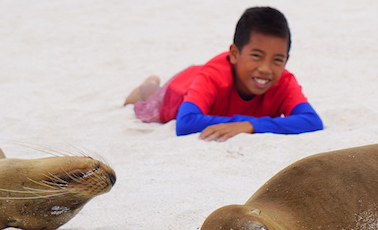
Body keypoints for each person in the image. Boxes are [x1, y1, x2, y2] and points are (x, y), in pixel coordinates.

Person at [124, 7, 323, 141]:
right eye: (256, 56)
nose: (266, 68)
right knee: (150, 98)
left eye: (277, 60)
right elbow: (185, 122)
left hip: (199, 80)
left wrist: (249, 126)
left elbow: (312, 121)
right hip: (178, 91)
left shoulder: (284, 81)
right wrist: (244, 124)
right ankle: (147, 85)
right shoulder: (213, 77)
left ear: (286, 61)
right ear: (235, 54)